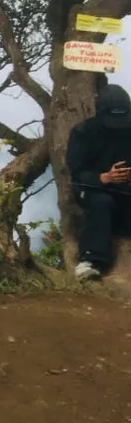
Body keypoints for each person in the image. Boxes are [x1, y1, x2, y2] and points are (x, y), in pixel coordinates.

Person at [67, 83, 131, 282]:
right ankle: (90, 261)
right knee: (102, 202)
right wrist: (104, 178)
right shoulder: (83, 132)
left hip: (126, 192)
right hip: (94, 190)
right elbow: (77, 173)